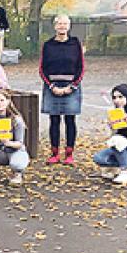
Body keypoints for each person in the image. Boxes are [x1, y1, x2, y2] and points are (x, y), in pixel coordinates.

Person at [39, 14, 85, 165]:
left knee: (70, 120)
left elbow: (81, 67)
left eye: (65, 24)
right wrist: (51, 86)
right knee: (54, 120)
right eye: (59, 24)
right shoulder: (47, 45)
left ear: (69, 26)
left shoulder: (76, 43)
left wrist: (72, 86)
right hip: (52, 87)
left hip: (71, 86)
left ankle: (69, 154)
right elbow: (42, 69)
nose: (62, 26)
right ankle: (55, 153)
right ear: (54, 26)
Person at [92, 84, 127, 185]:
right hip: (120, 149)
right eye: (114, 98)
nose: (117, 100)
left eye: (120, 97)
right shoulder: (113, 112)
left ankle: (124, 171)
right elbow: (111, 138)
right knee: (99, 158)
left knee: (118, 139)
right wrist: (111, 127)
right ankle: (124, 163)